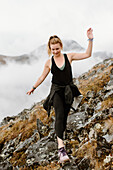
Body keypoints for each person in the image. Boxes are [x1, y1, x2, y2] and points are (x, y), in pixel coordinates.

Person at [26, 28, 93, 163]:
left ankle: (61, 136)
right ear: (50, 49)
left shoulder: (69, 57)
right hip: (56, 91)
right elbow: (42, 77)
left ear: (61, 46)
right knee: (59, 115)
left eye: (57, 49)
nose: (55, 51)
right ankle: (61, 149)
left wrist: (90, 39)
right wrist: (33, 87)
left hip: (68, 91)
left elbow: (88, 54)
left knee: (64, 117)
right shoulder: (49, 62)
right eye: (53, 49)